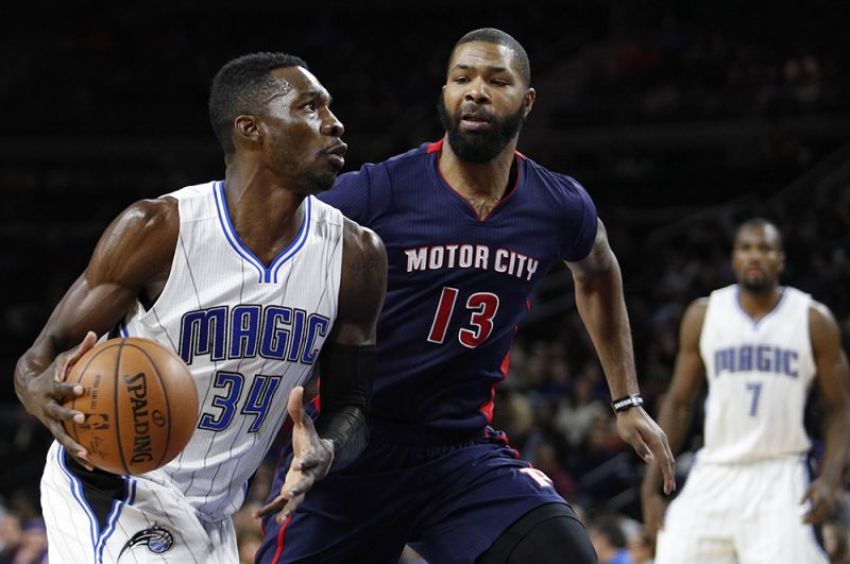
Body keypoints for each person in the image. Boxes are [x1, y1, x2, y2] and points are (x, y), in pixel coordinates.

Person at [257, 28, 675, 563]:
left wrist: (627, 400)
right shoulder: (380, 191)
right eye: (462, 78)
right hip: (349, 446)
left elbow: (597, 270)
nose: (476, 91)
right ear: (446, 94)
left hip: (460, 453)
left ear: (527, 101)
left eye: (497, 81)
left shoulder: (557, 204)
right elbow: (264, 245)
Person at [13, 52, 387, 562]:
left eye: (330, 108)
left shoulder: (356, 255)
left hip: (212, 515)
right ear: (251, 129)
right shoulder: (159, 228)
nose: (334, 123)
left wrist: (328, 448)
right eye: (309, 107)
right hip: (115, 485)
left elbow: (353, 403)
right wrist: (37, 391)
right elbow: (41, 355)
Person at [641, 218, 850, 563]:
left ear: (781, 260)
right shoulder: (704, 315)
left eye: (765, 248)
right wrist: (650, 487)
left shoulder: (814, 319)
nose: (755, 256)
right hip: (716, 469)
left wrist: (829, 479)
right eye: (746, 248)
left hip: (781, 471)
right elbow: (678, 403)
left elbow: (840, 407)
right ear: (734, 258)